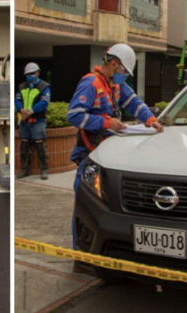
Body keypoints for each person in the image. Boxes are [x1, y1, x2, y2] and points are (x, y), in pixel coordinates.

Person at [66, 43, 164, 273]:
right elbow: (74, 115)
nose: (124, 78)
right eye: (124, 73)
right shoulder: (91, 84)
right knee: (84, 205)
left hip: (104, 155)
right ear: (113, 64)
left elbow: (134, 103)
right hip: (88, 155)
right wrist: (107, 122)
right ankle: (80, 258)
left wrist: (151, 121)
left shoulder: (114, 86)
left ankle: (97, 253)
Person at [15, 62, 51, 180]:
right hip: (25, 122)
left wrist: (31, 111)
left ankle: (44, 169)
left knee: (40, 144)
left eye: (32, 73)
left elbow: (44, 102)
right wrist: (21, 109)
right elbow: (17, 100)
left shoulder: (44, 86)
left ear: (37, 73)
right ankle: (25, 170)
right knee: (24, 145)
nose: (29, 75)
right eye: (27, 74)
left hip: (38, 121)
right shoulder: (22, 86)